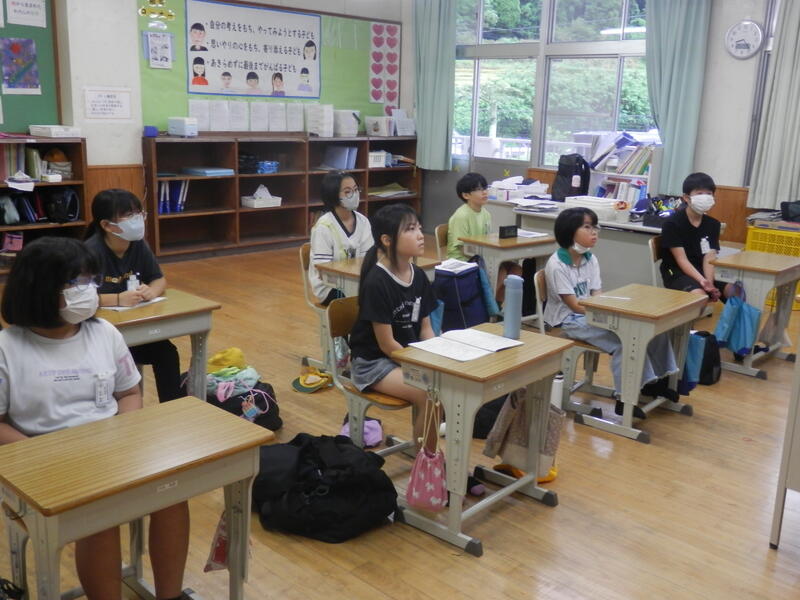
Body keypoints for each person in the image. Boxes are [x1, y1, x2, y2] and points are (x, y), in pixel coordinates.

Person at [0, 237, 189, 600]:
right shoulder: (7, 348)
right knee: (98, 517)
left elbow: (129, 394)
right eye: (76, 283)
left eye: (90, 280)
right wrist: (45, 455)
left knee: (171, 492)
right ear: (40, 289)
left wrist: (123, 435)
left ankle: (171, 596)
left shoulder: (104, 333)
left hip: (110, 453)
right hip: (41, 463)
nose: (88, 291)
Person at [349, 204, 484, 496]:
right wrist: (422, 369)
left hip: (406, 356)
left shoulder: (418, 274)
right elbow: (387, 345)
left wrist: (436, 358)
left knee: (450, 386)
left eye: (419, 227)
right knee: (429, 394)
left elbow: (425, 329)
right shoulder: (377, 281)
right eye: (410, 229)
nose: (421, 235)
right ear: (387, 240)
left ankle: (441, 459)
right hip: (374, 363)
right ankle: (430, 468)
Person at [543, 207, 679, 419]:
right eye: (587, 227)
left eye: (595, 227)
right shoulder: (557, 265)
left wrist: (612, 313)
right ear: (569, 231)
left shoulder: (590, 259)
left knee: (650, 330)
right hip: (568, 320)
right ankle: (623, 399)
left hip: (591, 314)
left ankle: (654, 383)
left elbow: (597, 294)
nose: (594, 232)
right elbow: (575, 306)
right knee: (625, 340)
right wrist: (610, 316)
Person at [84, 189, 182, 404]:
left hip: (134, 328)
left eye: (139, 213)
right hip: (101, 338)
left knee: (166, 352)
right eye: (129, 215)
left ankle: (174, 408)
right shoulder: (90, 252)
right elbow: (78, 298)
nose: (137, 219)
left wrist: (151, 291)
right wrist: (118, 299)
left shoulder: (138, 244)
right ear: (107, 225)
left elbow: (159, 279)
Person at [447, 172, 522, 303]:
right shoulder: (461, 216)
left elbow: (486, 239)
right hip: (463, 259)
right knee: (500, 270)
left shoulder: (486, 214)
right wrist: (487, 256)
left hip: (481, 256)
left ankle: (497, 303)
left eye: (485, 188)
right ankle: (490, 306)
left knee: (516, 269)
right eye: (478, 189)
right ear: (466, 195)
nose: (484, 192)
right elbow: (462, 248)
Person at [660, 172, 735, 302]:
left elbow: (709, 256)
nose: (705, 197)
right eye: (699, 193)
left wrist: (709, 283)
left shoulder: (713, 224)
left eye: (709, 194)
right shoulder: (672, 223)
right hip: (676, 271)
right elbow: (681, 260)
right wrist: (703, 282)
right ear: (686, 198)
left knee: (735, 291)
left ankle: (731, 317)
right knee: (699, 297)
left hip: (704, 270)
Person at [307, 171, 373, 305]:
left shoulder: (363, 221)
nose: (354, 195)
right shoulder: (324, 226)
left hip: (356, 281)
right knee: (364, 301)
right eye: (347, 192)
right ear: (333, 195)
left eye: (356, 190)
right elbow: (322, 269)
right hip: (330, 286)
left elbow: (368, 259)